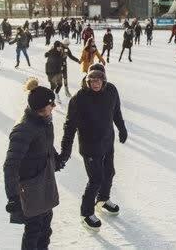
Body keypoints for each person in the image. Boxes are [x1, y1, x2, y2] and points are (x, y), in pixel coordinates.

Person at [59, 65, 127, 231]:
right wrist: (65, 152)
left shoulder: (111, 90)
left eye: (99, 79)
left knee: (109, 172)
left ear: (104, 79)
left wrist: (122, 128)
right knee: (96, 179)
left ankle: (103, 200)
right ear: (87, 80)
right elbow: (69, 127)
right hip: (90, 145)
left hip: (107, 141)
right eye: (92, 80)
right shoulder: (79, 98)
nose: (96, 83)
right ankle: (86, 213)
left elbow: (116, 111)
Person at [4, 80, 62, 249]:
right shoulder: (24, 129)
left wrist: (56, 159)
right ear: (41, 108)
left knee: (45, 229)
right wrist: (13, 197)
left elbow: (47, 145)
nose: (54, 107)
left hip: (44, 182)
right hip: (30, 188)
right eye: (51, 104)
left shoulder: (44, 121)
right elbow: (10, 165)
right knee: (34, 231)